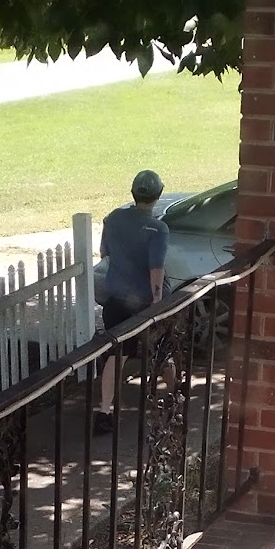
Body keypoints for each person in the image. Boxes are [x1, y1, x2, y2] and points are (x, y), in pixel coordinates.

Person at [94, 168, 167, 432]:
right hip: (144, 304)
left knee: (116, 356)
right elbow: (156, 269)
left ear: (133, 193)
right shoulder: (158, 229)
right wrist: (157, 301)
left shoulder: (114, 219)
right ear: (159, 195)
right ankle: (172, 399)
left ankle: (104, 412)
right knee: (162, 349)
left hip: (115, 301)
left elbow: (104, 252)